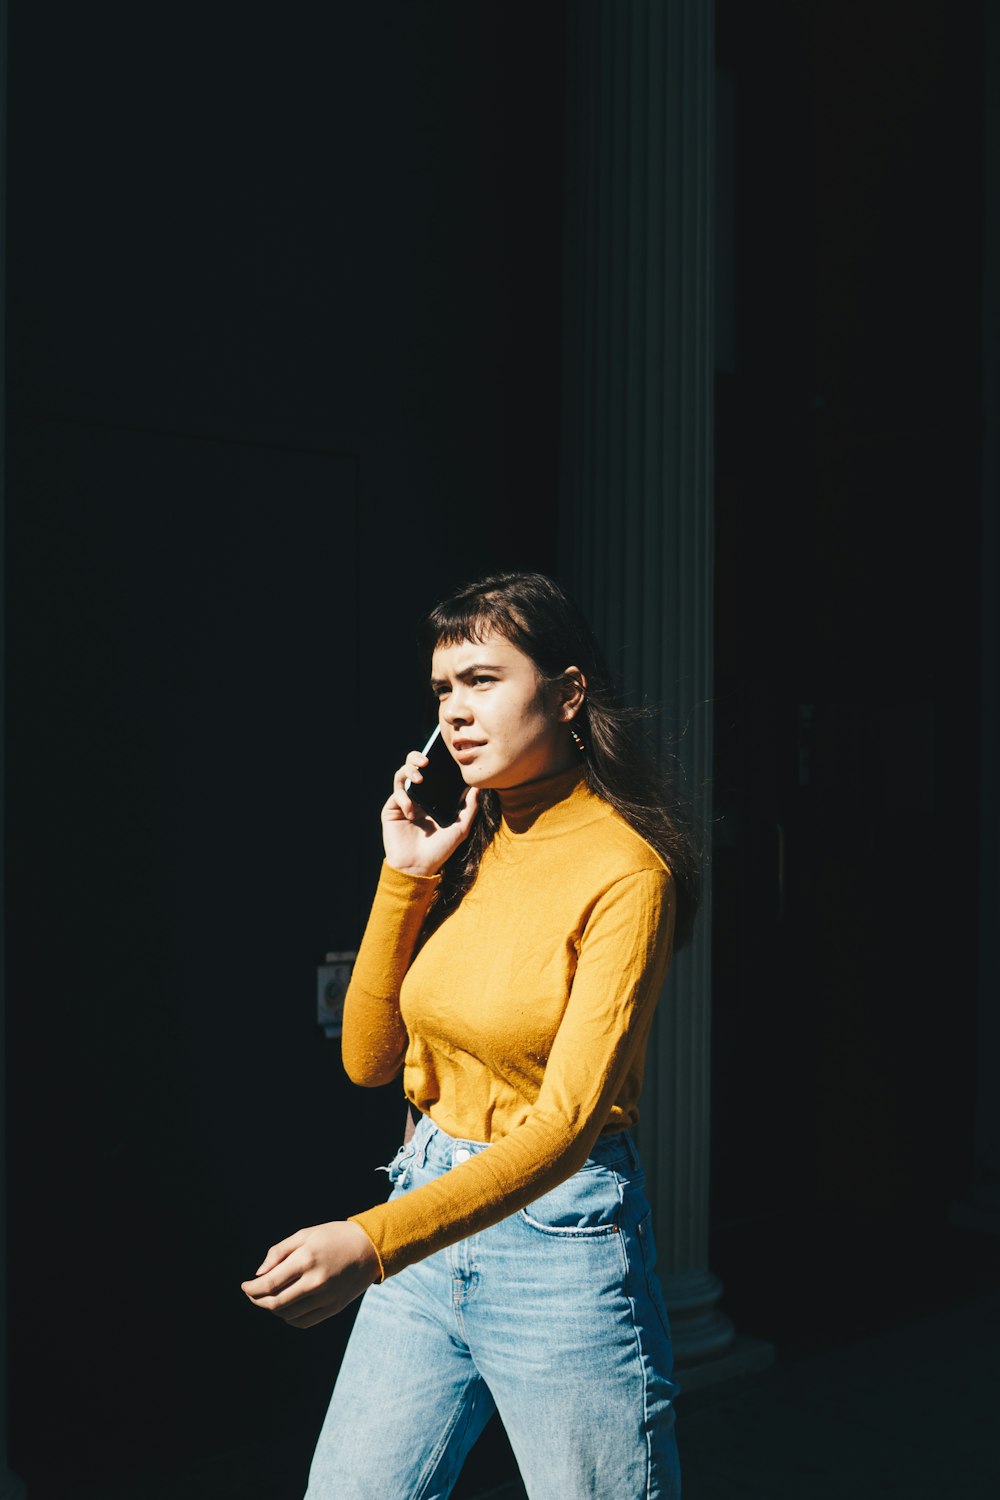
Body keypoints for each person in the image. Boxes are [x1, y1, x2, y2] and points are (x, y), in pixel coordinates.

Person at [242, 571, 699, 1499]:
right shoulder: (473, 842)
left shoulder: (626, 872)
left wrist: (370, 1242)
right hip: (426, 1220)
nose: (455, 711)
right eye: (445, 689)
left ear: (568, 693)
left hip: (557, 1247)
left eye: (483, 680)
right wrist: (403, 878)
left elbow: (566, 1128)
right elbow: (370, 1063)